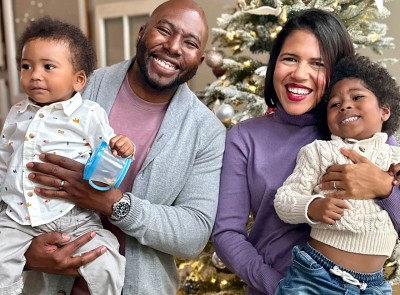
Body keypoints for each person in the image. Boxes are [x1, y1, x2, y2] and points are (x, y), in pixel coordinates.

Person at [20, 0, 226, 294]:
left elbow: (193, 233)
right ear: (142, 33)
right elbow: (16, 163)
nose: (174, 47)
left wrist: (113, 205)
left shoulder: (206, 132)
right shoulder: (80, 86)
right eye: (164, 30)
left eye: (190, 43)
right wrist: (26, 253)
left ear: (200, 60)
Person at [211, 8, 400, 295]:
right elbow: (226, 234)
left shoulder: (367, 136)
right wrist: (280, 287)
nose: (300, 74)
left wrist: (385, 189)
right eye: (290, 59)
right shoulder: (245, 137)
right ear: (275, 63)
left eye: (317, 64)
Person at [0, 17, 135, 295]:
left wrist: (121, 150)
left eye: (48, 67)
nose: (35, 74)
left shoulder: (89, 114)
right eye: (27, 66)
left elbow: (106, 163)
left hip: (75, 218)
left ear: (79, 80)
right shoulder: (17, 113)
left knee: (107, 259)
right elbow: (4, 160)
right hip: (18, 216)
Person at [274, 54, 400, 294]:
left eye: (357, 97)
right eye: (334, 104)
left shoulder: (396, 158)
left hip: (374, 285)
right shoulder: (319, 152)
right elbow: (283, 201)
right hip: (316, 276)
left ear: (384, 111)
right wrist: (312, 207)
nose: (345, 105)